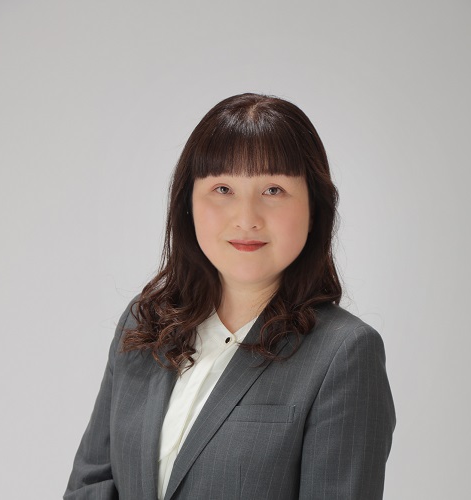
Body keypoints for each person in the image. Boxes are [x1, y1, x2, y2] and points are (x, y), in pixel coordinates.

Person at [64, 93, 396, 500]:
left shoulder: (344, 354)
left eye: (273, 189)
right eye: (223, 188)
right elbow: (92, 484)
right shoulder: (145, 324)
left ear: (315, 209)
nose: (246, 218)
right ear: (187, 203)